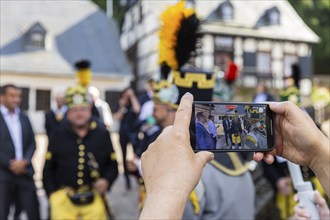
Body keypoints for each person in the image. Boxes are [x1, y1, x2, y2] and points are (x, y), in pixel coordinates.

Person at [139, 95, 329, 219]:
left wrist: (163, 194)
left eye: (159, 108)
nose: (155, 113)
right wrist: (318, 153)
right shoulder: (236, 161)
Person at [43, 85, 118, 219]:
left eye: (83, 109)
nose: (79, 114)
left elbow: (113, 164)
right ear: (68, 112)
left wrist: (106, 180)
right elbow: (48, 168)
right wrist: (51, 194)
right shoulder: (58, 134)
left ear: (90, 109)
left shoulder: (102, 133)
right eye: (74, 110)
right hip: (63, 197)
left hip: (93, 195)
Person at [0, 84, 40, 220]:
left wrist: (25, 161)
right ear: (1, 97)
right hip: (3, 175)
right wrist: (11, 164)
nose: (16, 100)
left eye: (19, 96)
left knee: (33, 211)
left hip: (25, 173)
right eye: (12, 96)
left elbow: (32, 142)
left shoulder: (23, 116)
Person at [114, 87, 141, 189]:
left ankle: (137, 176)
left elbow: (137, 110)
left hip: (134, 133)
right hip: (123, 133)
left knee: (136, 155)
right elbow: (117, 117)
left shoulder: (134, 102)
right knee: (123, 156)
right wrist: (123, 104)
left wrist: (132, 97)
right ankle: (127, 179)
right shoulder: (121, 103)